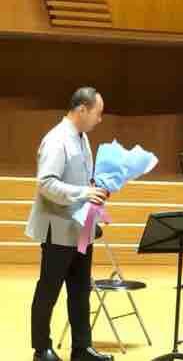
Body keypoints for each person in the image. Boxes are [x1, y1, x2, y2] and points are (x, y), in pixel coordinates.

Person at [27, 87, 114, 361]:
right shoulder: (56, 140)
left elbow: (81, 178)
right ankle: (42, 349)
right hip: (58, 228)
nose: (99, 119)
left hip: (80, 227)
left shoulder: (82, 137)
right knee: (49, 290)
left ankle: (82, 348)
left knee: (80, 291)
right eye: (97, 113)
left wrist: (96, 188)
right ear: (82, 110)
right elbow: (46, 184)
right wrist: (84, 192)